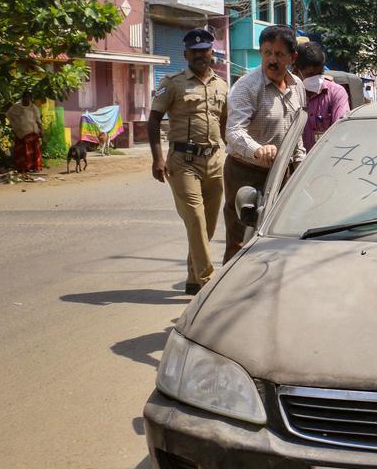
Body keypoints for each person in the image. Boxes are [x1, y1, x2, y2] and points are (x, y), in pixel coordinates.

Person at [148, 28, 228, 296]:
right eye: (194, 52)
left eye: (204, 51)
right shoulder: (172, 83)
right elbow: (154, 119)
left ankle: (193, 276)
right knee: (195, 219)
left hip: (215, 160)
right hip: (183, 161)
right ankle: (208, 282)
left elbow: (226, 123)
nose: (199, 55)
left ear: (211, 53)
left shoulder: (222, 85)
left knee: (209, 224)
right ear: (185, 55)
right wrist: (157, 158)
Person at [223, 25, 305, 262]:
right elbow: (234, 131)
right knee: (240, 238)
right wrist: (257, 150)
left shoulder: (297, 86)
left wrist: (300, 164)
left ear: (292, 57)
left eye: (279, 54)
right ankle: (231, 294)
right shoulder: (246, 87)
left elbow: (297, 130)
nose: (272, 60)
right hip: (245, 172)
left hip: (283, 173)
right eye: (267, 52)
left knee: (280, 235)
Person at [294, 42, 350, 152]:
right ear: (296, 72)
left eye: (319, 73)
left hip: (326, 158)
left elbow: (341, 129)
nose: (316, 78)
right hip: (296, 163)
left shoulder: (336, 92)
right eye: (310, 75)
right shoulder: (290, 94)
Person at [6, 93, 44, 173]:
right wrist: (16, 125)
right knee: (22, 152)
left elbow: (38, 120)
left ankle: (34, 167)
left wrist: (41, 130)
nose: (26, 100)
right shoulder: (16, 107)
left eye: (28, 98)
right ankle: (23, 168)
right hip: (21, 134)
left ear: (30, 99)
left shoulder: (34, 108)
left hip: (32, 132)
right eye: (25, 98)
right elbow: (9, 115)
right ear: (22, 98)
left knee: (33, 152)